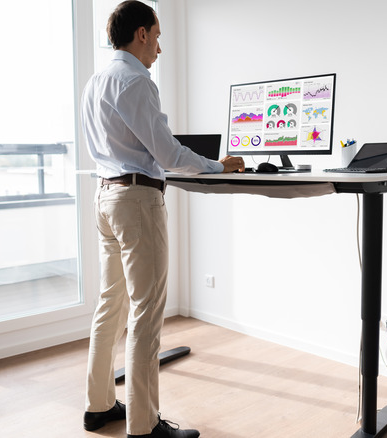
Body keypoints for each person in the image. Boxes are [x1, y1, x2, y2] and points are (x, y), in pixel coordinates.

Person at [79, 2, 244, 437]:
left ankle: (98, 406)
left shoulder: (95, 82)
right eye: (157, 35)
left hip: (105, 198)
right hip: (136, 202)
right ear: (141, 34)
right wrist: (217, 165)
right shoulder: (136, 80)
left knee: (109, 307)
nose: (160, 48)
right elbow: (168, 154)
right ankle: (145, 427)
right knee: (146, 313)